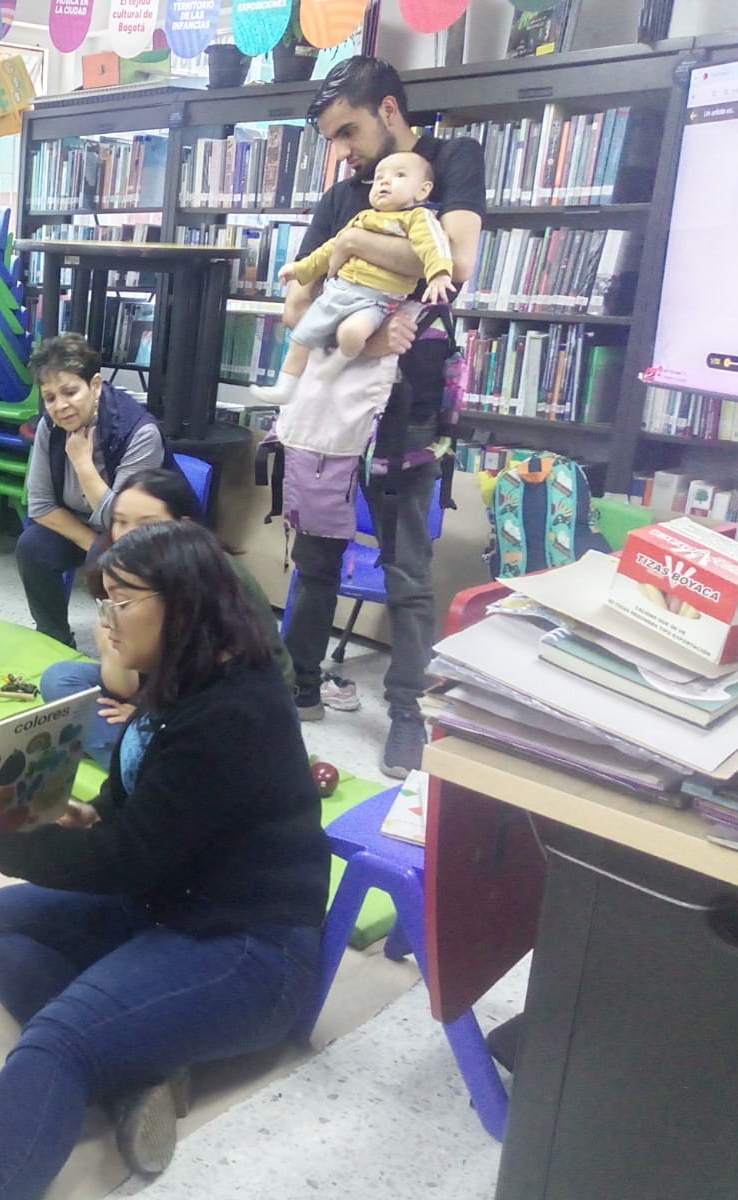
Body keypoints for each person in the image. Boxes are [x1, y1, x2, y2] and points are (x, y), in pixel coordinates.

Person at [0, 521, 330, 1196]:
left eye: (121, 601)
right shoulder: (172, 677)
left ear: (184, 603)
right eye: (103, 600)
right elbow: (136, 807)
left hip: (249, 947)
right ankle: (140, 1074)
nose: (105, 619)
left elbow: (127, 860)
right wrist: (95, 812)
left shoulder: (233, 709)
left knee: (58, 1042)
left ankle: (110, 1053)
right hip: (167, 902)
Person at [278, 56, 486, 777]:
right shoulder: (345, 194)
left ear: (391, 111)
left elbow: (452, 266)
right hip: (334, 395)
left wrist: (360, 247)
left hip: (408, 403)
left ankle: (406, 714)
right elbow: (296, 304)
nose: (344, 153)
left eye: (350, 132)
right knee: (316, 556)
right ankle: (298, 687)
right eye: (333, 140)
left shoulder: (452, 161)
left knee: (406, 566)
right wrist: (364, 321)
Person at [39, 468, 296, 763]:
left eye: (148, 524)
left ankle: (138, 762)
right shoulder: (120, 564)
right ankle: (135, 749)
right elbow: (122, 683)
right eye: (120, 522)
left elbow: (220, 681)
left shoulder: (209, 576)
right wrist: (111, 637)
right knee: (60, 679)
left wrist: (153, 715)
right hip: (161, 684)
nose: (128, 533)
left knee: (156, 745)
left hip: (221, 703)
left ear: (182, 527)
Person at [251, 151, 455, 402]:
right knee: (301, 337)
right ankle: (284, 388)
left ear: (423, 191)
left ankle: (340, 360)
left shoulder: (418, 219)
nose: (385, 182)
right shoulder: (364, 217)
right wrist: (301, 270)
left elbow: (434, 246)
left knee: (352, 333)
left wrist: (439, 274)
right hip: (339, 291)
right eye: (379, 178)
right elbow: (330, 249)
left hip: (375, 301)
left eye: (399, 176)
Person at [18, 333, 169, 647]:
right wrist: (95, 548)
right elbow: (41, 504)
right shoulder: (50, 425)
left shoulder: (140, 433)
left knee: (122, 563)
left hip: (142, 535)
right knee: (32, 546)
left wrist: (83, 464)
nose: (60, 407)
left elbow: (124, 517)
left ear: (96, 386)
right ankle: (54, 639)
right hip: (88, 529)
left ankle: (137, 649)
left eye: (70, 392)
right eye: (49, 398)